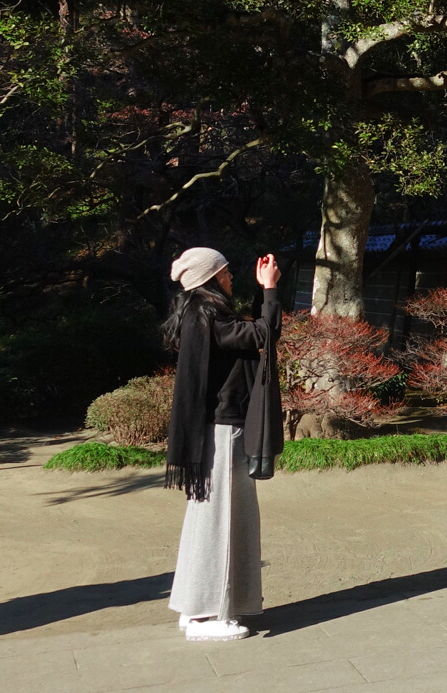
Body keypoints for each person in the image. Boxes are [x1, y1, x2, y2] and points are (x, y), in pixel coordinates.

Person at [162, 247, 284, 642]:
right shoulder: (208, 315)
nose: (230, 276)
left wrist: (261, 293)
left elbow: (246, 336)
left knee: (206, 519)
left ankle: (192, 607)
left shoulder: (199, 312)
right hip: (222, 430)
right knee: (223, 520)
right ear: (211, 276)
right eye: (226, 272)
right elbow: (263, 334)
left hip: (211, 430)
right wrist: (268, 290)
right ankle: (207, 615)